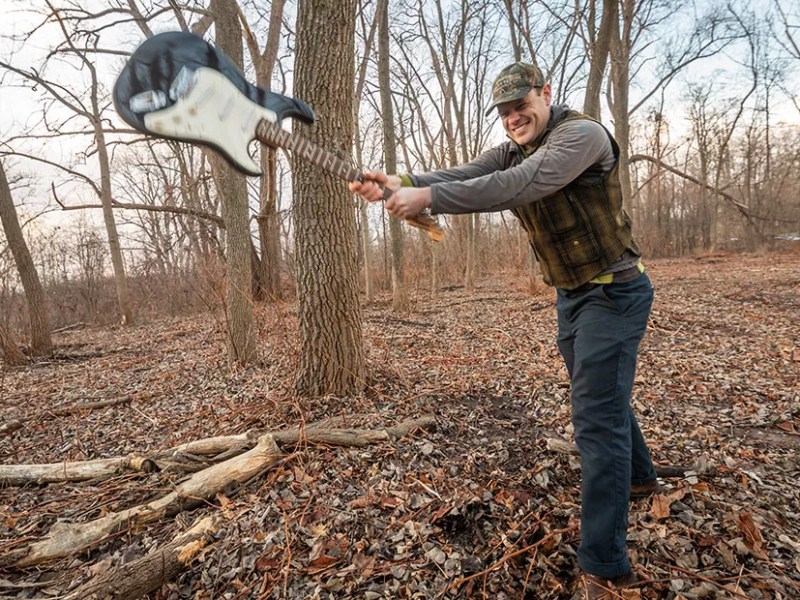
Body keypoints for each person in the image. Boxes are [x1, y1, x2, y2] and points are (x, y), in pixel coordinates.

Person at [350, 61, 661, 599]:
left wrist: (429, 200)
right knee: (602, 396)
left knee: (595, 418)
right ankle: (639, 477)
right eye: (505, 112)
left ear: (545, 94)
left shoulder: (581, 136)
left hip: (615, 292)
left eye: (522, 105)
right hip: (573, 294)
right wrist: (402, 182)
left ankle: (606, 567)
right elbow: (464, 173)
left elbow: (518, 185)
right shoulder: (510, 148)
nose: (514, 118)